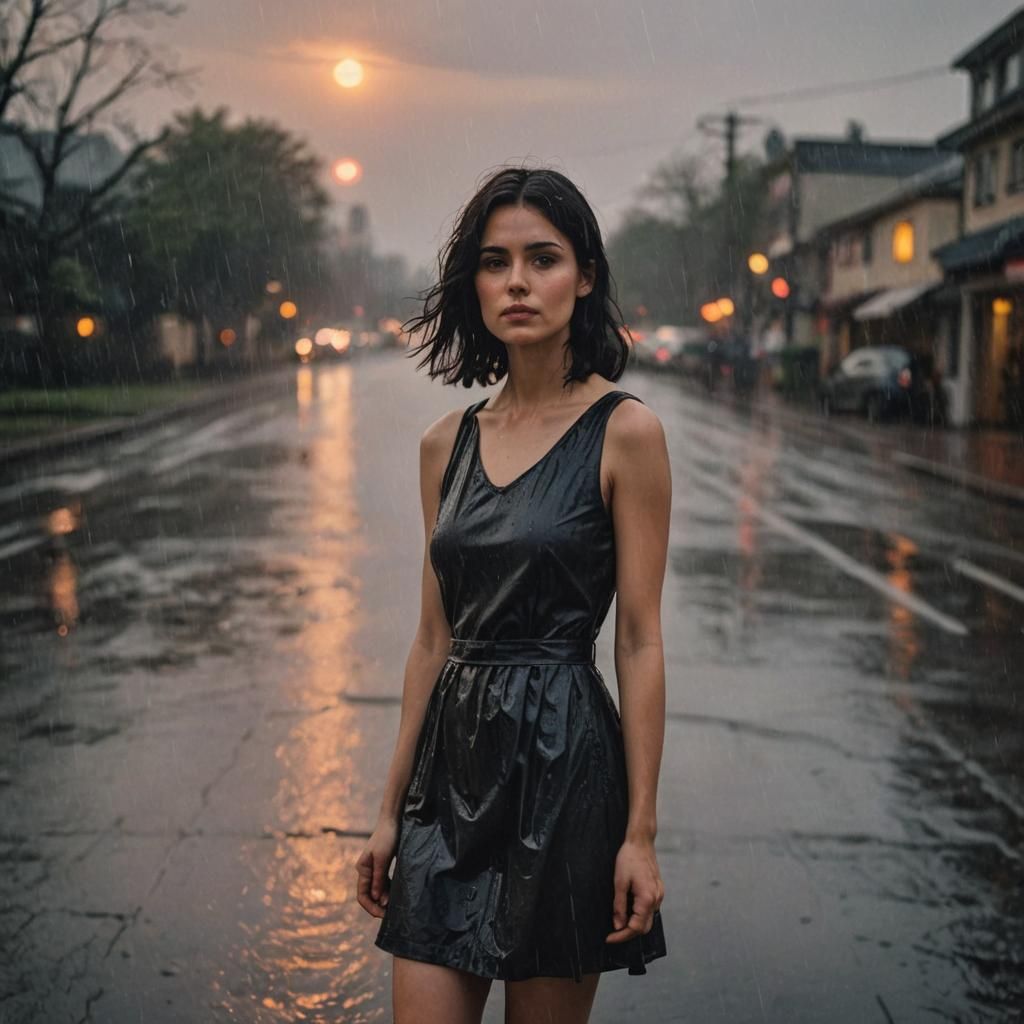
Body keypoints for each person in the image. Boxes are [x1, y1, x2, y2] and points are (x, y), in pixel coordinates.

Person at [355, 166, 670, 1024]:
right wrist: (388, 813)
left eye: (544, 258)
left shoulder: (626, 433)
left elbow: (639, 642)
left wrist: (639, 833)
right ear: (475, 284)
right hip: (449, 779)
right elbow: (431, 638)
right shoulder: (443, 445)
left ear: (586, 275)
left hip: (567, 770)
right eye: (497, 263)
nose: (519, 282)